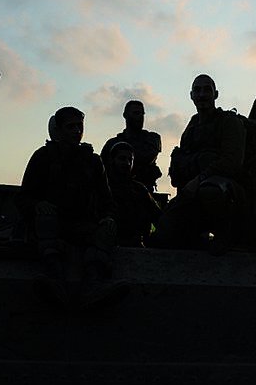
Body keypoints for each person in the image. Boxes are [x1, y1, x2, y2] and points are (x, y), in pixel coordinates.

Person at [19, 106, 122, 308]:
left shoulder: (92, 161)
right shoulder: (43, 157)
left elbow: (106, 200)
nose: (76, 131)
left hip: (83, 226)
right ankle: (55, 280)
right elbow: (23, 198)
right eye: (70, 126)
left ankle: (93, 285)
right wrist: (38, 205)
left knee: (107, 230)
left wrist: (108, 217)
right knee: (46, 221)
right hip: (52, 227)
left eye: (79, 126)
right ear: (58, 130)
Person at [155, 74, 256, 250]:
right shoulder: (192, 126)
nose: (202, 94)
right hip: (194, 191)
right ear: (191, 96)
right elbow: (182, 163)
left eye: (207, 90)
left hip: (229, 193)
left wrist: (199, 179)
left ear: (215, 94)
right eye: (197, 90)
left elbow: (231, 162)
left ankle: (225, 235)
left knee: (210, 190)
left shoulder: (229, 122)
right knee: (162, 233)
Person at [106, 140, 162, 247]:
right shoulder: (103, 187)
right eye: (122, 158)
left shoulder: (139, 189)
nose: (127, 163)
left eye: (130, 160)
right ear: (112, 160)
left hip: (136, 245)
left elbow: (158, 217)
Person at [100, 100, 163, 193]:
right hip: (115, 192)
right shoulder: (112, 143)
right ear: (125, 115)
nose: (140, 117)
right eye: (136, 113)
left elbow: (146, 157)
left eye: (142, 114)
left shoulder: (152, 138)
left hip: (144, 191)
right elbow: (102, 168)